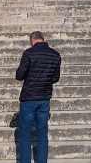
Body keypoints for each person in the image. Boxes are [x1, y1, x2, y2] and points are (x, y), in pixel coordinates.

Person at [15, 31, 61, 163]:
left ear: (32, 40)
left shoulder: (29, 53)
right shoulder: (55, 55)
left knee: (25, 133)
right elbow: (55, 78)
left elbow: (19, 75)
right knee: (42, 133)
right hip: (44, 98)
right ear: (43, 39)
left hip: (29, 98)